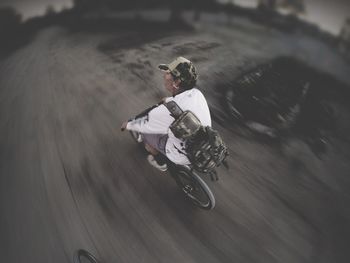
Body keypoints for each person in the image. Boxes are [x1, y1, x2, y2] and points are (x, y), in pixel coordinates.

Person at [121, 56, 212, 172]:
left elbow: (146, 124)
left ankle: (160, 162)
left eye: (168, 73)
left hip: (181, 154)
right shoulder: (197, 94)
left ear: (177, 82)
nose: (164, 76)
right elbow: (182, 104)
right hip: (204, 145)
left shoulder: (166, 111)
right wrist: (169, 101)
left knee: (144, 133)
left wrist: (128, 125)